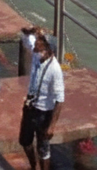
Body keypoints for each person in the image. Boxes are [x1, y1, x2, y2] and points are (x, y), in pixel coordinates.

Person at [19, 27, 65, 170]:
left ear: (47, 48)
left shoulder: (54, 69)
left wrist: (51, 126)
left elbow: (60, 99)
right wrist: (31, 30)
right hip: (30, 107)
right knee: (25, 141)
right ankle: (33, 166)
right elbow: (25, 36)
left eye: (39, 41)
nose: (36, 43)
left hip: (44, 113)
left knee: (43, 148)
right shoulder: (36, 54)